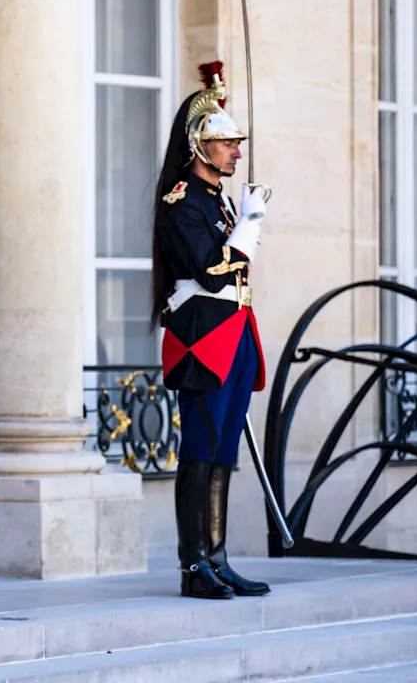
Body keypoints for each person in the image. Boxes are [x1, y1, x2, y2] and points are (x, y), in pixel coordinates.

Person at [151, 61, 270, 600]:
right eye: (227, 144)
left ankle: (217, 557)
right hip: (202, 337)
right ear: (200, 146)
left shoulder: (215, 200)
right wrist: (248, 226)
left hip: (234, 331)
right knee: (200, 447)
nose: (236, 153)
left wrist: (240, 221)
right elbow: (210, 267)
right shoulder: (182, 201)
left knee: (223, 448)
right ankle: (192, 565)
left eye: (237, 143)